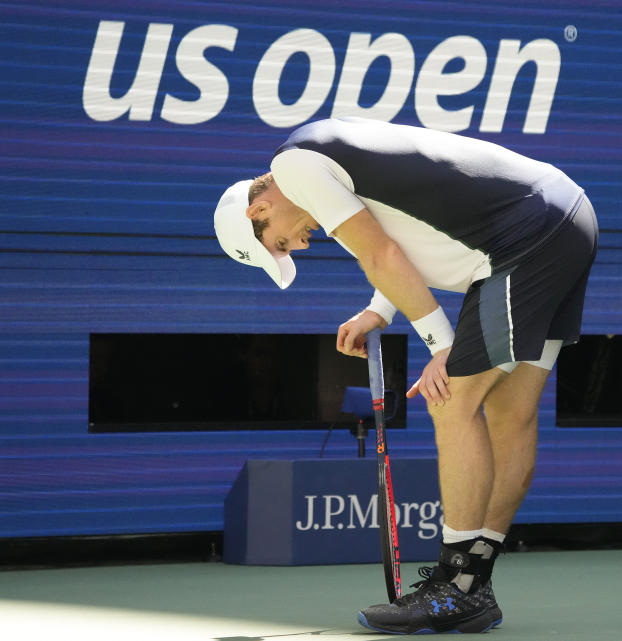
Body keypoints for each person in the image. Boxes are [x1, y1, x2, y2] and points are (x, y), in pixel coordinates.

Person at [213, 117, 598, 634]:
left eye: (279, 245)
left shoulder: (295, 165)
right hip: (567, 216)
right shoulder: (322, 161)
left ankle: (452, 587)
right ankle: (473, 584)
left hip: (524, 238)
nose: (298, 247)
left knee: (450, 401)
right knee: (511, 414)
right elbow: (401, 235)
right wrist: (380, 310)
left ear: (260, 209)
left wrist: (443, 346)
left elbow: (382, 253)